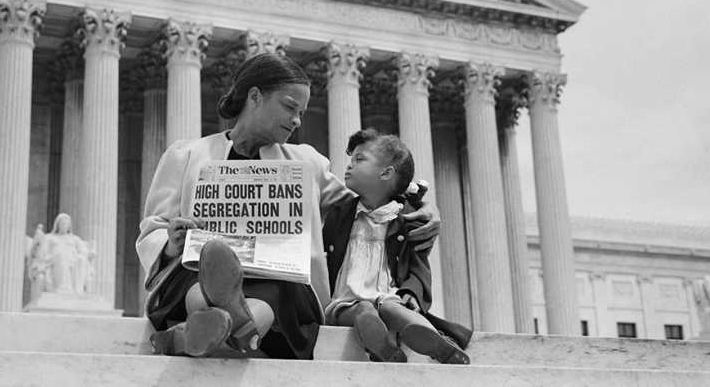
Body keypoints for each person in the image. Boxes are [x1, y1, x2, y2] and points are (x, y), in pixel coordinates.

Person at [136, 53, 441, 359]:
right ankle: (231, 323)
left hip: (281, 282)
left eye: (302, 112)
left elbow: (367, 205)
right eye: (289, 107)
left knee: (278, 286)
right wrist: (172, 243)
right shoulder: (186, 155)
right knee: (204, 275)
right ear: (255, 96)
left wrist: (414, 205)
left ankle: (206, 327)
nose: (296, 120)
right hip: (198, 270)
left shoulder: (307, 162)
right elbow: (153, 229)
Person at [323, 128, 471, 364]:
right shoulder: (339, 213)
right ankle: (383, 347)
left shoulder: (406, 218)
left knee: (395, 309)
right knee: (362, 310)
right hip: (345, 298)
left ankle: (440, 344)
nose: (349, 166)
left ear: (386, 173)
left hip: (388, 294)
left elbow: (418, 264)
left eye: (359, 159)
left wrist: (413, 292)